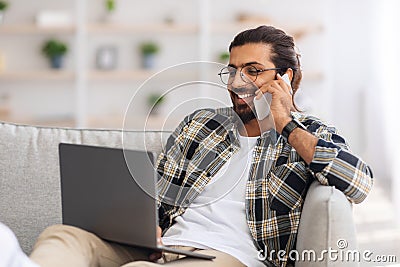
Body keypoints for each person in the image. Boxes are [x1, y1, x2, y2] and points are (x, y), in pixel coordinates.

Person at [26, 25, 373, 267]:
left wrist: (285, 123)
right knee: (63, 237)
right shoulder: (200, 124)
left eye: (253, 71)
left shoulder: (310, 134)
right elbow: (160, 196)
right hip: (162, 247)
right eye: (233, 70)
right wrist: (149, 226)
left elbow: (358, 183)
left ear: (287, 78)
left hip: (229, 256)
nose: (238, 81)